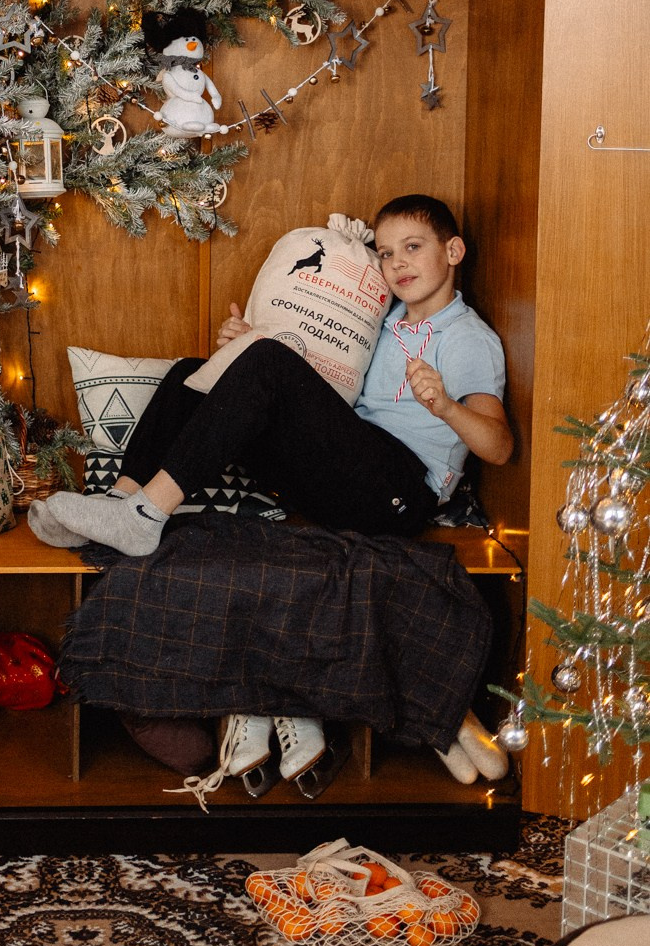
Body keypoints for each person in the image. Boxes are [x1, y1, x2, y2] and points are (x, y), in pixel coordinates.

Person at [31, 195, 513, 786]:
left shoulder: (466, 338)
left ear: (453, 251)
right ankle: (121, 505)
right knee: (192, 373)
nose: (397, 264)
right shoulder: (387, 318)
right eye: (387, 254)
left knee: (265, 361)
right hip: (347, 470)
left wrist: (445, 407)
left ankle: (146, 514)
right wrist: (240, 351)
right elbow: (319, 369)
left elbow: (499, 446)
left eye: (413, 248)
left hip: (397, 491)